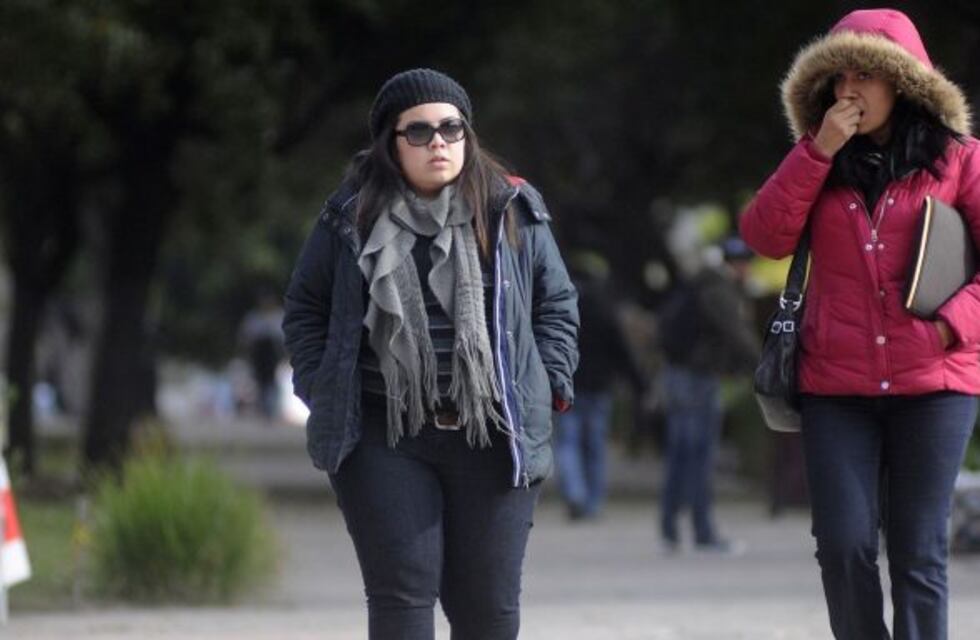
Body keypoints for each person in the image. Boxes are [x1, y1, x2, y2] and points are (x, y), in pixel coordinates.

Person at [282, 68, 579, 640]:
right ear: (391, 145)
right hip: (383, 435)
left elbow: (556, 302)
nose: (437, 142)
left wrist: (549, 378)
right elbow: (305, 308)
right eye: (418, 132)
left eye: (450, 128)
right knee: (401, 600)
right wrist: (323, 388)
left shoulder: (509, 209)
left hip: (495, 433)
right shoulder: (350, 215)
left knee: (487, 611)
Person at [740, 9, 980, 639]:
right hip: (836, 387)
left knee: (919, 552)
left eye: (868, 74)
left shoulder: (960, 161)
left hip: (935, 384)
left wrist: (951, 325)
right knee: (842, 545)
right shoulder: (816, 161)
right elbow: (763, 235)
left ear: (904, 84)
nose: (851, 87)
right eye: (842, 73)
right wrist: (817, 151)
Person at [657, 235, 760, 553]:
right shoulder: (717, 288)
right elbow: (735, 332)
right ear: (737, 264)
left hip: (680, 376)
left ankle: (671, 526)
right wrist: (765, 364)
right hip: (698, 380)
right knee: (699, 457)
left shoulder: (698, 283)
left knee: (681, 455)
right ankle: (702, 531)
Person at [555, 257, 645, 521]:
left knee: (567, 444)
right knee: (594, 446)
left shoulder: (561, 307)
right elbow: (622, 352)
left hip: (568, 385)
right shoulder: (606, 310)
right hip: (599, 387)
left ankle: (575, 494)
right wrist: (638, 382)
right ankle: (593, 502)